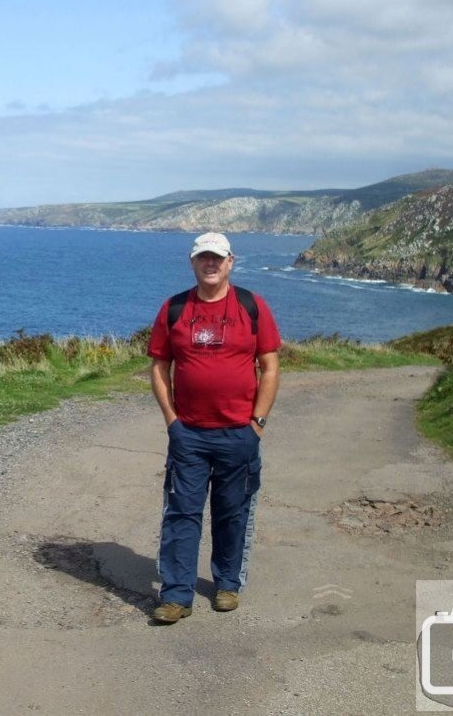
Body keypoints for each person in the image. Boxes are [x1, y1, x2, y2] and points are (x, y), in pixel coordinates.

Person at [147, 231, 281, 624]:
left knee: (232, 512)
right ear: (192, 262)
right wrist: (172, 421)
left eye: (217, 258)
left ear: (230, 262)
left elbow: (270, 366)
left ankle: (227, 586)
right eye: (203, 257)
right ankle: (175, 596)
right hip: (188, 433)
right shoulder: (174, 308)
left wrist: (257, 423)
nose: (211, 263)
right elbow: (159, 366)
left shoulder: (252, 306)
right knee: (181, 514)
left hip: (239, 433)